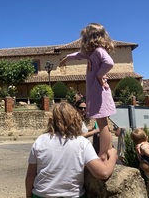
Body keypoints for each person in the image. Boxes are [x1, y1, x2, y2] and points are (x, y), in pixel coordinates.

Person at [25, 102, 117, 198]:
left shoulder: (41, 140)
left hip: (41, 195)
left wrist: (28, 196)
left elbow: (30, 175)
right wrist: (113, 155)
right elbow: (103, 173)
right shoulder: (81, 143)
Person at [59, 23, 116, 161]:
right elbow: (79, 55)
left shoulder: (98, 52)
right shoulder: (92, 53)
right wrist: (67, 58)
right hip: (97, 92)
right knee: (103, 124)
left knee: (102, 125)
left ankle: (103, 153)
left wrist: (99, 75)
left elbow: (109, 63)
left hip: (99, 93)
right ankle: (108, 150)